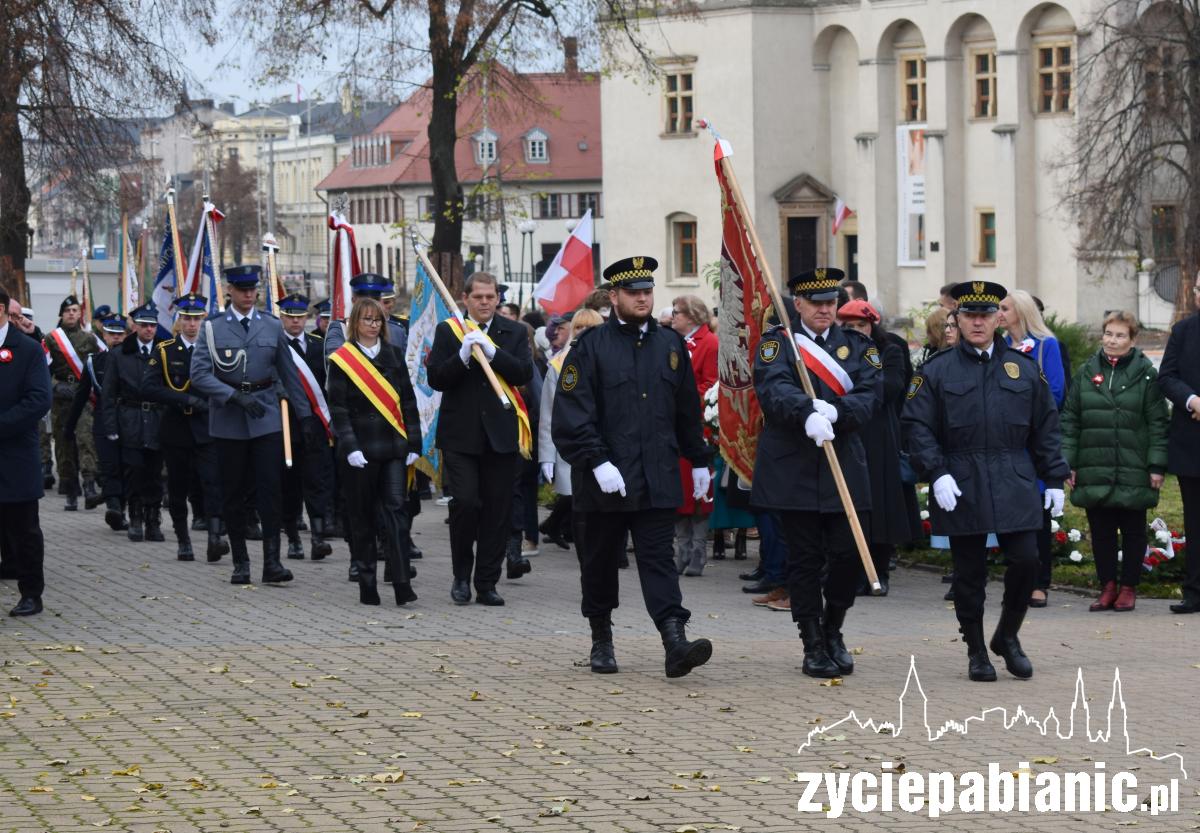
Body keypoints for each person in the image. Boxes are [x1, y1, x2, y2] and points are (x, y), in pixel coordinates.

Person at [551, 255, 713, 678]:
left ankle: (674, 641)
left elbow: (685, 409)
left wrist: (698, 459)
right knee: (600, 562)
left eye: (647, 292)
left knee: (659, 558)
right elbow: (571, 414)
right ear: (613, 297)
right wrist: (597, 460)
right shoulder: (589, 347)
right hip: (604, 481)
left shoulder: (669, 344)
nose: (642, 299)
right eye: (633, 293)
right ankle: (601, 638)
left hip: (655, 474)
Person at [903, 280, 1069, 682]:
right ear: (956, 319)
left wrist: (1056, 479)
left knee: (1027, 559)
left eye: (985, 315)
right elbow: (916, 426)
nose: (978, 323)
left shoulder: (1024, 369)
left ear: (999, 318)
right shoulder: (936, 371)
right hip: (961, 478)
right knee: (969, 572)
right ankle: (976, 650)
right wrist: (936, 471)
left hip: (1013, 474)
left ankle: (1007, 636)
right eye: (969, 315)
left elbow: (1045, 427)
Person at [750, 267, 880, 678]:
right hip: (795, 466)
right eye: (816, 303)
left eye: (831, 302)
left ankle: (833, 627)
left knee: (848, 555)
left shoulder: (857, 346)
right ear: (799, 305)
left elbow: (871, 390)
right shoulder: (778, 345)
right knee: (804, 560)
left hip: (843, 460)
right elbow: (772, 387)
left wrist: (838, 411)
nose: (825, 309)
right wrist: (805, 413)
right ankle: (811, 643)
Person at [191, 264, 313, 585]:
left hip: (266, 415)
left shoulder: (271, 326)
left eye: (252, 289)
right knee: (233, 494)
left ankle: (271, 562)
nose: (248, 295)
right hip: (229, 420)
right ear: (229, 290)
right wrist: (232, 396)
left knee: (271, 491)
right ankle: (241, 562)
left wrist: (305, 416)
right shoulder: (213, 328)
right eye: (242, 289)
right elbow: (200, 374)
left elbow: (289, 374)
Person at [427, 271, 533, 606]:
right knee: (467, 504)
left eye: (490, 297)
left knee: (497, 512)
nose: (485, 302)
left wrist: (492, 353)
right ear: (465, 298)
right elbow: (436, 379)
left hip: (501, 435)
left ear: (497, 299)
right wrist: (461, 356)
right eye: (478, 297)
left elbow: (523, 373)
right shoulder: (449, 331)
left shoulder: (513, 332)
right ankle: (461, 575)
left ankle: (487, 581)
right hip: (461, 436)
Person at [1060, 311, 1168, 613]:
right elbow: (1070, 419)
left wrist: (1157, 465)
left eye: (1120, 335)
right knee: (1102, 530)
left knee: (1133, 529)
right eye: (1108, 334)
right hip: (1094, 462)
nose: (1112, 340)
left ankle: (1129, 588)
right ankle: (1107, 586)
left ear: (1132, 340)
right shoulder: (1086, 371)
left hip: (1134, 465)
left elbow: (1158, 422)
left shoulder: (1147, 374)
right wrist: (1068, 462)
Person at [327, 297, 422, 605]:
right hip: (360, 451)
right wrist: (349, 446)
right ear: (356, 323)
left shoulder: (394, 354)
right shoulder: (343, 359)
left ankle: (401, 580)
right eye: (367, 320)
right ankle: (367, 582)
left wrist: (415, 443)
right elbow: (338, 409)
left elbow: (408, 402)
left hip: (393, 447)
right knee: (363, 517)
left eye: (378, 320)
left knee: (396, 512)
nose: (373, 325)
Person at [837, 298, 919, 595]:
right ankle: (849, 571)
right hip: (847, 432)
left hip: (879, 436)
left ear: (872, 325)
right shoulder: (836, 351)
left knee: (880, 506)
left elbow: (890, 387)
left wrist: (857, 388)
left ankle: (879, 572)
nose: (856, 331)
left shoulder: (891, 350)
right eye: (849, 326)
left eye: (861, 325)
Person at [144, 294, 230, 561]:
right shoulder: (165, 350)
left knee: (213, 483)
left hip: (208, 427)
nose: (192, 324)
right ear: (178, 320)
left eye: (197, 319)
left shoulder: (214, 348)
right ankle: (183, 539)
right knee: (178, 488)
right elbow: (149, 387)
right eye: (187, 319)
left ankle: (215, 537)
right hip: (177, 429)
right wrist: (184, 399)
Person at [998, 288, 1065, 608]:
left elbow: (1055, 391)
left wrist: (1021, 415)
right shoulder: (1000, 347)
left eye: (1004, 308)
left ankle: (1040, 582)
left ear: (1021, 312)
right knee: (1010, 513)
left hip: (1033, 442)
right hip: (1003, 442)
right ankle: (1017, 577)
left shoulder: (1045, 346)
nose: (998, 313)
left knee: (1037, 514)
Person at [0, 289, 53, 616]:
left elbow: (38, 401)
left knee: (24, 530)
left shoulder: (28, 350)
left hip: (14, 456)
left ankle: (31, 593)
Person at [101, 303, 172, 544]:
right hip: (129, 419)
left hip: (156, 420)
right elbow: (108, 393)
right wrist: (110, 426)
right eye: (144, 325)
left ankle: (153, 520)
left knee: (154, 472)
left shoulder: (164, 351)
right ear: (134, 326)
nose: (149, 330)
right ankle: (136, 516)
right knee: (133, 471)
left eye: (153, 325)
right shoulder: (119, 354)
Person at [538, 309, 605, 550]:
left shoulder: (610, 358)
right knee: (577, 502)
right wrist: (547, 456)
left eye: (591, 327)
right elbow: (548, 414)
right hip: (570, 446)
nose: (585, 333)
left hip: (605, 444)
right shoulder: (559, 365)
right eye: (579, 327)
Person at [277, 292, 335, 561]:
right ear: (282, 318)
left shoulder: (316, 345)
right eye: (290, 317)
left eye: (300, 317)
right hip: (286, 424)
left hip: (316, 424)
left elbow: (327, 383)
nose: (295, 322)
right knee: (289, 484)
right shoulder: (275, 346)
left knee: (317, 481)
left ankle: (318, 536)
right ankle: (292, 537)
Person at [66, 313, 130, 532]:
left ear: (126, 335)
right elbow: (81, 395)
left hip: (130, 419)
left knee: (127, 466)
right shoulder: (94, 362)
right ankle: (114, 508)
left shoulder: (134, 360)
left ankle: (122, 507)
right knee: (109, 464)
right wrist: (69, 427)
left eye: (120, 334)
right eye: (111, 334)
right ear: (104, 335)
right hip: (104, 418)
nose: (116, 338)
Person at [1159, 272, 1200, 614]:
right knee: (1196, 520)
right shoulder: (1183, 332)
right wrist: (1191, 400)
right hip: (1193, 444)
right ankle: (1195, 591)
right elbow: (1167, 377)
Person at [670, 294, 717, 577]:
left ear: (692, 316)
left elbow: (712, 386)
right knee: (679, 492)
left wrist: (679, 399)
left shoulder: (709, 343)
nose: (673, 316)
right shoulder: (675, 342)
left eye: (678, 312)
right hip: (676, 428)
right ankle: (681, 550)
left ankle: (698, 552)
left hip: (699, 427)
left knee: (698, 495)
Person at [44, 295, 100, 509]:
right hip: (61, 399)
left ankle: (89, 484)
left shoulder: (90, 339)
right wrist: (55, 385)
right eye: (67, 311)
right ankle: (70, 488)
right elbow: (42, 369)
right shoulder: (51, 339)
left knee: (85, 438)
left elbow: (98, 367)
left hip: (83, 396)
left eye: (75, 310)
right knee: (63, 443)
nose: (71, 314)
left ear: (80, 314)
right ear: (62, 314)